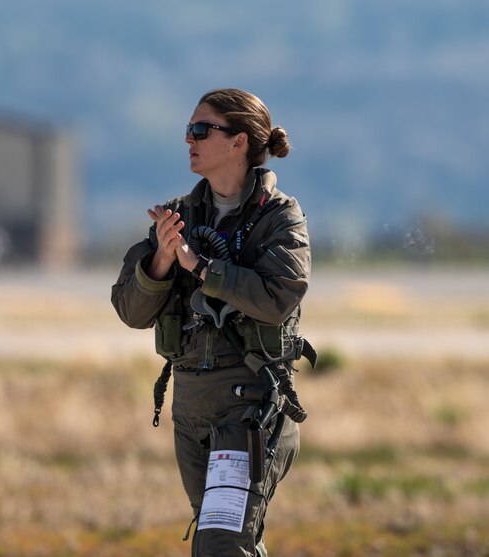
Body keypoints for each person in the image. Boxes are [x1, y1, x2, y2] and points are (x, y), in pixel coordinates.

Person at [111, 88, 315, 556]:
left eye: (201, 130)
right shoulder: (177, 217)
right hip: (191, 412)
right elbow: (130, 310)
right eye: (188, 131)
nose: (189, 140)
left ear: (239, 141)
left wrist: (202, 267)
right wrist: (160, 262)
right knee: (230, 542)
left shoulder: (280, 218)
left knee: (221, 545)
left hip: (248, 410)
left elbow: (278, 297)